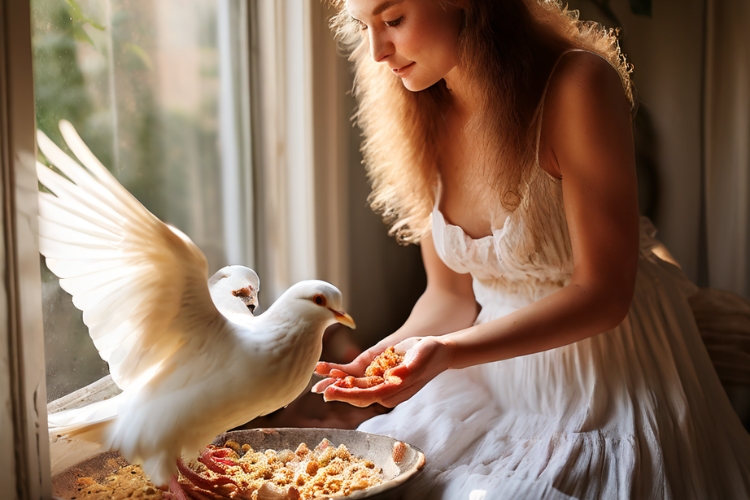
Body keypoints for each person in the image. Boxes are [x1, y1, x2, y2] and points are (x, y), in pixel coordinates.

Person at [313, 0, 750, 498]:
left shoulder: (576, 86)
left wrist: (448, 353)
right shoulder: (419, 110)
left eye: (392, 21)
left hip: (605, 383)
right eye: (362, 27)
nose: (376, 53)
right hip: (494, 380)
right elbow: (450, 297)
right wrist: (381, 357)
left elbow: (604, 295)